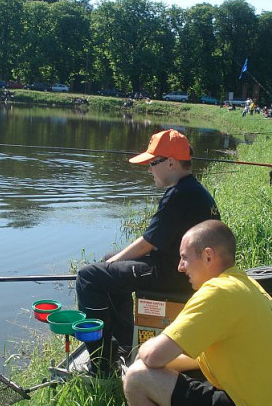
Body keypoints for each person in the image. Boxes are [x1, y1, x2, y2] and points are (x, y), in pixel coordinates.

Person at [123, 220, 272, 406]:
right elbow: (195, 356)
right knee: (157, 368)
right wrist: (161, 367)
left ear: (208, 256)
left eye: (184, 257)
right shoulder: (246, 284)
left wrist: (143, 354)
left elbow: (153, 356)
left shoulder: (215, 292)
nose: (180, 267)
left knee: (137, 378)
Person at [76, 129, 221, 376]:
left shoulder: (179, 195)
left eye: (153, 163)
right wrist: (111, 262)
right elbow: (154, 240)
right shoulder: (195, 190)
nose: (149, 169)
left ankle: (102, 364)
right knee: (106, 262)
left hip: (175, 274)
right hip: (185, 268)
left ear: (171, 163)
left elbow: (147, 243)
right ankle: (122, 342)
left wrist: (113, 264)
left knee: (88, 277)